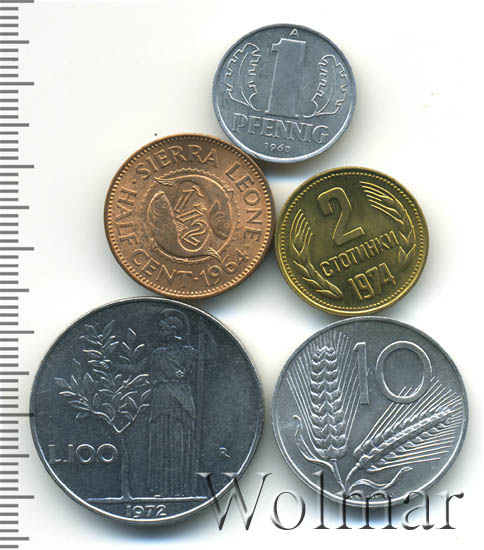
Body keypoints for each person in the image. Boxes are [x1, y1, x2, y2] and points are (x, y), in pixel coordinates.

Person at [148, 309, 198, 497]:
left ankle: (181, 489)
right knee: (160, 444)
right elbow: (142, 370)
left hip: (181, 400)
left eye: (163, 329)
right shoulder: (157, 354)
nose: (160, 333)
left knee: (180, 444)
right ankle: (160, 489)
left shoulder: (189, 353)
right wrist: (111, 366)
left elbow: (197, 371)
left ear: (173, 330)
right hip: (161, 401)